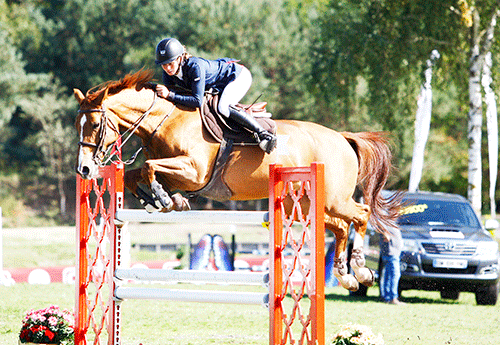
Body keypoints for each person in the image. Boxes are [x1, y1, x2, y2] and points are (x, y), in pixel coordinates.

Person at [154, 37, 277, 154]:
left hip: (237, 77)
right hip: (220, 84)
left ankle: (264, 134)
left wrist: (169, 94)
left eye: (171, 63)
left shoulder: (194, 67)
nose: (168, 68)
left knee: (223, 107)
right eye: (164, 65)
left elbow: (197, 101)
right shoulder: (168, 74)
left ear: (180, 58)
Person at [379, 226, 404, 305]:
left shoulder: (389, 219)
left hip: (392, 251)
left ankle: (387, 297)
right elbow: (377, 223)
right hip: (391, 252)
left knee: (388, 275)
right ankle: (393, 297)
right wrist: (384, 232)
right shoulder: (385, 217)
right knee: (395, 274)